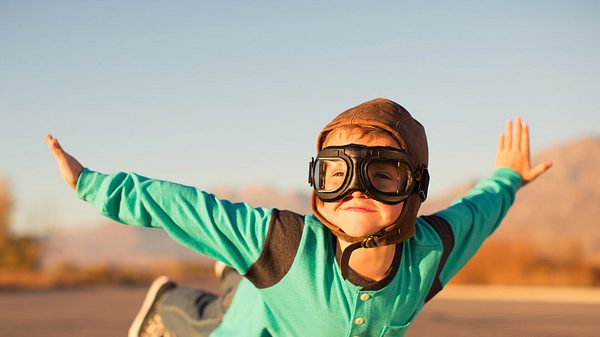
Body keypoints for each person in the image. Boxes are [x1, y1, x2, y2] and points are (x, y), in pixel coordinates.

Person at [46, 98, 552, 337]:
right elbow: (182, 206)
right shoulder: (282, 241)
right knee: (218, 319)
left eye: (383, 175)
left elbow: (480, 212)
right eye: (337, 172)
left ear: (415, 187)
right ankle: (173, 301)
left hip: (267, 277)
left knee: (247, 276)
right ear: (318, 180)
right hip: (252, 324)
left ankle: (236, 273)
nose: (356, 189)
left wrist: (508, 177)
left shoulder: (431, 252)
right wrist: (92, 185)